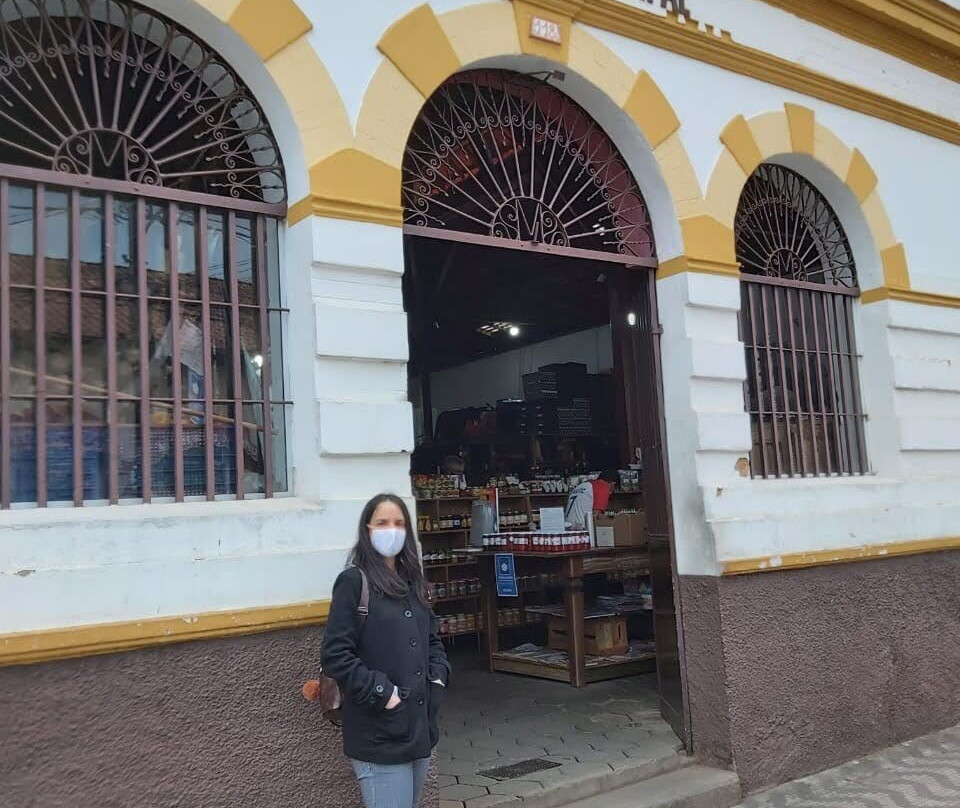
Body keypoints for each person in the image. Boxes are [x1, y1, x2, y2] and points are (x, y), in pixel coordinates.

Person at [321, 494, 450, 808]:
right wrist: (384, 693)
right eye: (382, 523)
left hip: (419, 729)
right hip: (379, 733)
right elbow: (335, 654)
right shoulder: (354, 582)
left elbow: (432, 640)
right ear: (368, 529)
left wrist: (438, 679)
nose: (391, 530)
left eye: (398, 523)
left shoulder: (412, 581)